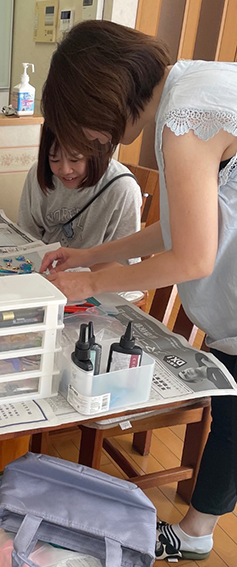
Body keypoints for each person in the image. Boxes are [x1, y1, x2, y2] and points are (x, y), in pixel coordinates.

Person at [39, 20, 237, 561]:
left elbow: (192, 257)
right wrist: (89, 256)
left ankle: (196, 533)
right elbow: (182, 228)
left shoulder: (183, 116)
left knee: (232, 421)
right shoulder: (190, 87)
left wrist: (91, 281)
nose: (91, 140)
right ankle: (199, 528)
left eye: (83, 124)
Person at [18, 126, 141, 261]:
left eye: (75, 159)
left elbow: (125, 261)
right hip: (44, 265)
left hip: (97, 271)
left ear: (97, 153)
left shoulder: (122, 188)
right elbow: (26, 234)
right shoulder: (39, 174)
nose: (65, 170)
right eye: (54, 159)